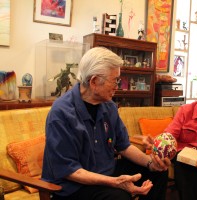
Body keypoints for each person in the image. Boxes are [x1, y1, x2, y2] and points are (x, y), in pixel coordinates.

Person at [42, 47, 170, 200]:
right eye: (115, 80)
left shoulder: (108, 106)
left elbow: (124, 146)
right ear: (94, 81)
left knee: (159, 172)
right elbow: (70, 171)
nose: (119, 85)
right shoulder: (61, 113)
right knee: (119, 197)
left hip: (105, 172)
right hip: (73, 186)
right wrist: (115, 182)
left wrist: (151, 163)